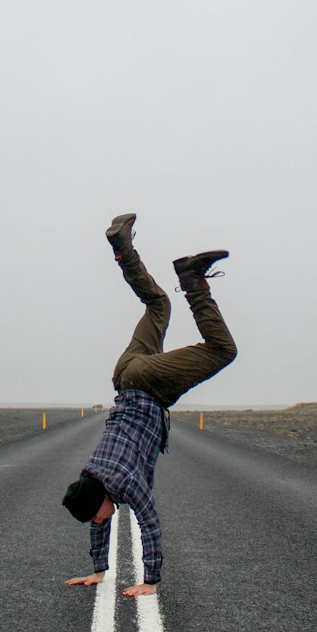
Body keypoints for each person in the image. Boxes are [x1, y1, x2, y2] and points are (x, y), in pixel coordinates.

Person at [62, 213, 237, 598]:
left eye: (94, 514)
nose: (97, 520)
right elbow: (99, 519)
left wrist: (150, 581)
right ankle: (122, 246)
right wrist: (99, 570)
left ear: (100, 500)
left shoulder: (124, 483)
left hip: (146, 385)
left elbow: (149, 523)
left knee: (223, 350)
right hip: (125, 374)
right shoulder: (92, 476)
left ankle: (192, 279)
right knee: (158, 304)